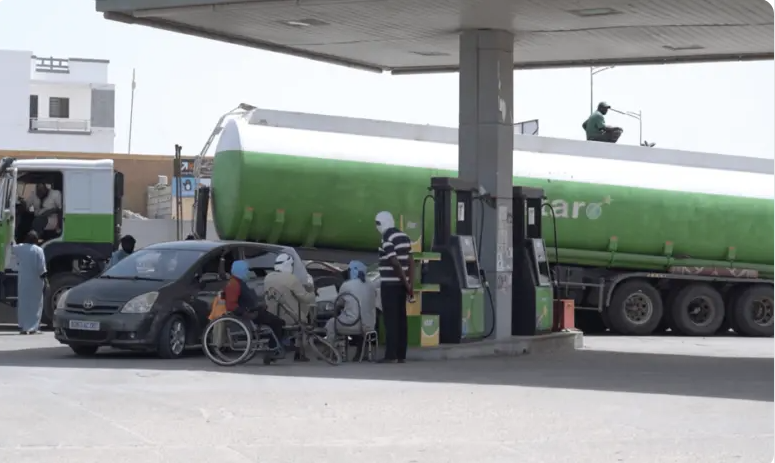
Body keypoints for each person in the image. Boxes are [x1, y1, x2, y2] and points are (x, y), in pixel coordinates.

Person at [224, 260, 286, 356]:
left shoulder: (239, 282)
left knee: (278, 322)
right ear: (239, 270)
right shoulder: (234, 284)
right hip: (247, 314)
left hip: (252, 311)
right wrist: (246, 314)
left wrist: (259, 306)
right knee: (278, 323)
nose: (248, 272)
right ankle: (273, 349)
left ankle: (274, 346)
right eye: (246, 270)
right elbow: (231, 305)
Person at [375, 211, 414, 364]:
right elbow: (411, 261)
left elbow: (394, 262)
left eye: (378, 223)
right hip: (401, 286)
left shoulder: (387, 237)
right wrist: (409, 285)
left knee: (391, 320)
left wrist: (406, 283)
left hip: (390, 285)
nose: (377, 227)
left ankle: (391, 355)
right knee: (401, 319)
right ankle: (401, 355)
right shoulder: (404, 236)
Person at [263, 253, 317, 361]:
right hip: (289, 316)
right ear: (288, 265)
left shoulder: (268, 277)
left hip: (272, 314)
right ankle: (300, 352)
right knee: (305, 318)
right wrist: (313, 292)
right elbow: (305, 298)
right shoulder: (290, 278)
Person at [325, 260, 377, 360]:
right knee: (362, 320)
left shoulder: (347, 285)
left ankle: (331, 351)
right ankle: (363, 353)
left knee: (331, 323)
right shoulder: (371, 285)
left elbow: (338, 303)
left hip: (351, 325)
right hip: (369, 326)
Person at [13, 231, 47, 335]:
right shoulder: (38, 250)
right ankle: (33, 328)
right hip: (36, 281)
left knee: (23, 303)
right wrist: (47, 282)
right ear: (35, 240)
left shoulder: (20, 248)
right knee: (35, 305)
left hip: (23, 281)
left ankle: (23, 327)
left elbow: (11, 246)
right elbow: (42, 269)